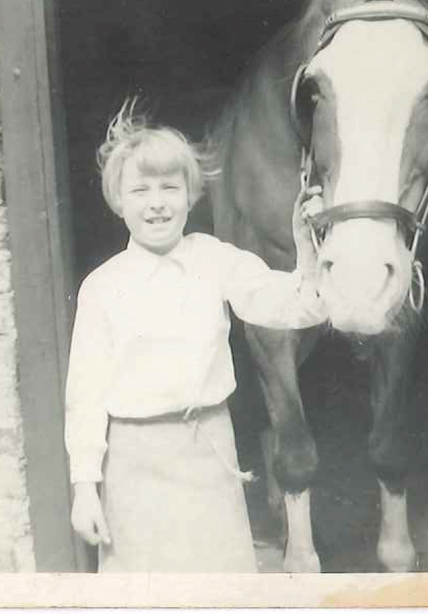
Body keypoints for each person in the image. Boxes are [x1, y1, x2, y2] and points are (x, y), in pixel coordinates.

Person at [65, 101, 327, 573]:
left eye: (170, 187)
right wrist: (85, 487)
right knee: (143, 590)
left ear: (192, 196)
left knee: (218, 583)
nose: (157, 202)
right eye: (140, 190)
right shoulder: (102, 287)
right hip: (133, 461)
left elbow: (292, 304)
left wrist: (307, 250)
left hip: (209, 450)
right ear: (118, 201)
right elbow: (84, 396)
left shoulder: (216, 260)